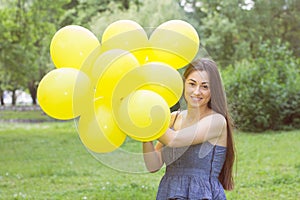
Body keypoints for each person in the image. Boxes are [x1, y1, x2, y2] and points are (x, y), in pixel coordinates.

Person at [143, 58, 235, 200]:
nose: (197, 92)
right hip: (169, 193)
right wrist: (144, 136)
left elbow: (174, 139)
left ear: (213, 90)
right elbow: (153, 165)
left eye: (205, 87)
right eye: (192, 84)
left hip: (201, 195)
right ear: (184, 84)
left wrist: (148, 120)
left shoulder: (216, 121)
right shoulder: (173, 118)